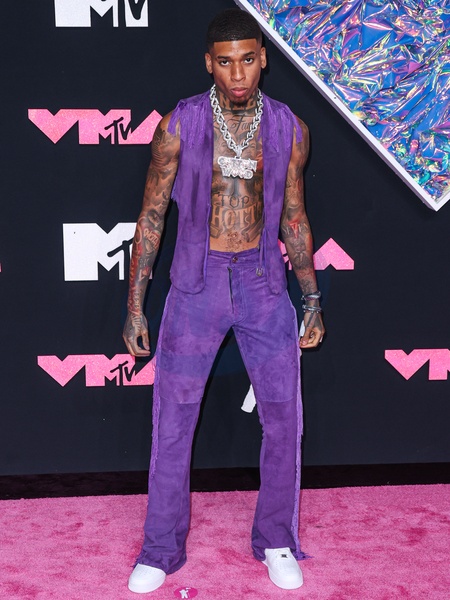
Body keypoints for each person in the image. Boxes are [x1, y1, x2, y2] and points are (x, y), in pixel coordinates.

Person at [123, 8, 325, 594]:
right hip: (196, 282)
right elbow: (151, 217)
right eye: (226, 62)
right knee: (172, 422)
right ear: (208, 63)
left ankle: (277, 539)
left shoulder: (289, 128)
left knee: (284, 420)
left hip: (264, 284)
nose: (238, 74)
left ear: (264, 60)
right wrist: (135, 305)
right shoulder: (180, 124)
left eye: (248, 60)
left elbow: (294, 217)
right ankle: (160, 549)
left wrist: (311, 298)